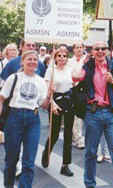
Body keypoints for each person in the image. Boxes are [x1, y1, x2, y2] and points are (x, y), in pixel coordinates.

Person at [72, 41, 113, 188]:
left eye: (103, 48)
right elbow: (75, 76)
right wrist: (82, 61)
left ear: (108, 51)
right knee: (91, 152)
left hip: (112, 113)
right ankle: (89, 184)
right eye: (97, 49)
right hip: (93, 113)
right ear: (92, 51)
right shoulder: (88, 67)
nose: (100, 51)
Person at [0, 50, 50, 188]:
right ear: (22, 61)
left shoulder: (41, 81)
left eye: (35, 60)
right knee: (11, 160)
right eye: (29, 59)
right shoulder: (14, 78)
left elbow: (43, 105)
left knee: (29, 162)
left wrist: (49, 95)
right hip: (14, 118)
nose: (32, 62)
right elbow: (0, 100)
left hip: (33, 120)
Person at [41, 47, 75, 177]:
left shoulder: (69, 69)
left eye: (64, 56)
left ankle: (65, 165)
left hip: (68, 101)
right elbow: (47, 88)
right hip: (55, 102)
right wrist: (52, 104)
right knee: (54, 132)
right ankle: (47, 152)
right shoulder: (51, 70)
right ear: (55, 57)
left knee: (68, 134)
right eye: (59, 56)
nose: (62, 58)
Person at [68, 42, 86, 149]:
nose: (79, 49)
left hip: (83, 90)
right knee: (72, 115)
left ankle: (79, 138)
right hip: (71, 88)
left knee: (80, 116)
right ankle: (74, 137)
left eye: (81, 47)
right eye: (77, 48)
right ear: (73, 50)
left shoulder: (87, 60)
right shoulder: (69, 61)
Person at [0, 43, 18, 116]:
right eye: (11, 50)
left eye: (14, 50)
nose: (13, 52)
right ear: (6, 52)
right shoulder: (1, 64)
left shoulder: (19, 63)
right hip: (4, 94)